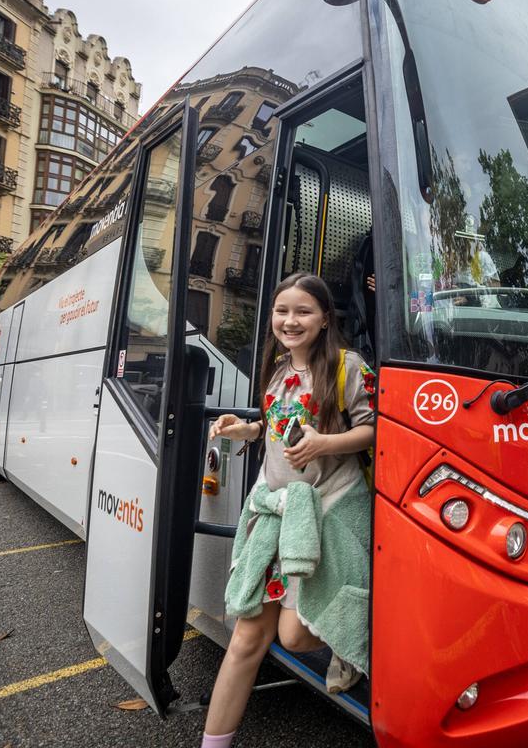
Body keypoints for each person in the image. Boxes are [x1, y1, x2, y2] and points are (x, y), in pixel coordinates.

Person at [200, 272, 377, 748]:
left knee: (296, 637)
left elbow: (375, 430)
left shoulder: (348, 366)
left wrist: (325, 443)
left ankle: (349, 646)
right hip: (276, 513)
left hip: (326, 512)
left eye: (303, 311)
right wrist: (248, 430)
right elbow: (279, 428)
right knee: (246, 640)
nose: (290, 321)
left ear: (324, 319)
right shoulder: (278, 370)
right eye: (282, 311)